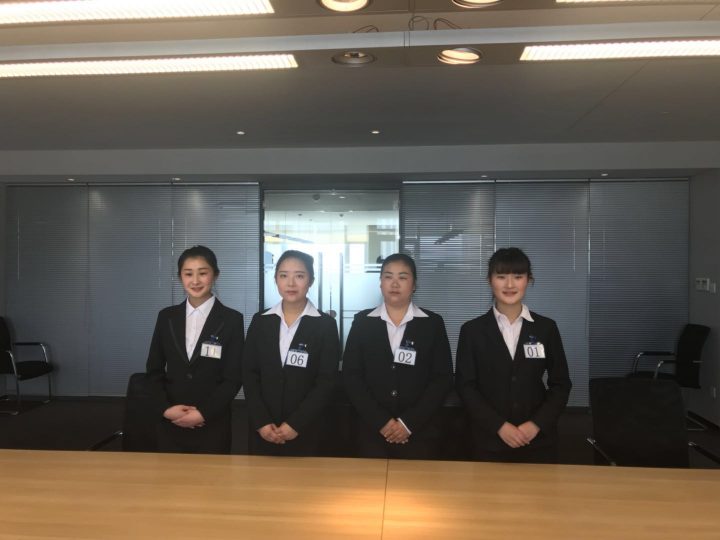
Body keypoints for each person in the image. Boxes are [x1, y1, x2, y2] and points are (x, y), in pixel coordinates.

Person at [456, 247, 571, 463]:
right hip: (487, 441)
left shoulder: (546, 328)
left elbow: (561, 384)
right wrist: (499, 426)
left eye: (518, 276)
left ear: (529, 280)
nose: (509, 285)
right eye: (501, 277)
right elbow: (465, 386)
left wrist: (536, 424)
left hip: (537, 441)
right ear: (490, 280)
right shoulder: (472, 331)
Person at [343, 253, 453, 459]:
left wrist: (407, 423)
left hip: (420, 433)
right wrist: (382, 422)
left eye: (402, 277)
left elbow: (442, 378)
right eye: (388, 276)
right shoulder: (363, 322)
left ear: (414, 284)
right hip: (371, 432)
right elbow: (351, 376)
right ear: (380, 283)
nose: (394, 283)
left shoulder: (432, 324)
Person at [146, 245, 244, 454]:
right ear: (180, 277)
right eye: (188, 274)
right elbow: (154, 370)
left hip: (212, 422)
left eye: (203, 273)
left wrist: (204, 413)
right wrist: (166, 409)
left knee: (211, 474)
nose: (196, 281)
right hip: (171, 419)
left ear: (215, 275)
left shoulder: (232, 320)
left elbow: (233, 378)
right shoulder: (166, 317)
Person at [243, 250, 339, 456]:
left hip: (308, 430)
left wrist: (296, 424)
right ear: (275, 279)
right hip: (264, 430)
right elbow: (249, 374)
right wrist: (261, 422)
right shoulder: (261, 321)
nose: (291, 283)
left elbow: (327, 381)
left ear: (311, 281)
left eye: (299, 276)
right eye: (284, 275)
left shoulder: (325, 325)